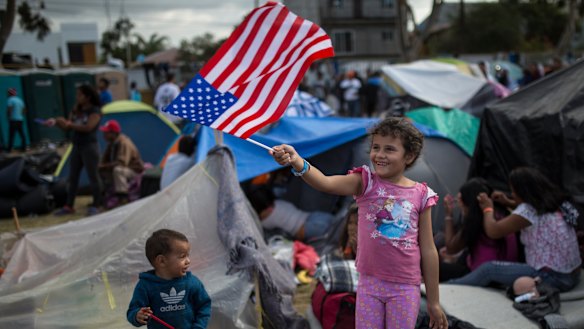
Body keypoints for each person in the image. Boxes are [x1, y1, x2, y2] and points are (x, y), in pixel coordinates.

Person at [270, 117, 448, 329]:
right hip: (368, 283)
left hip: (405, 287)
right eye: (376, 147)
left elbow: (428, 249)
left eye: (390, 149)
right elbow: (325, 183)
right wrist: (297, 161)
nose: (380, 155)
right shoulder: (365, 182)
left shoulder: (421, 194)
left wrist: (434, 302)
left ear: (408, 156)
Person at [449, 167, 581, 292]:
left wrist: (487, 208)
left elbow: (493, 231)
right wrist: (508, 201)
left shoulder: (528, 211)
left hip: (553, 277)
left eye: (513, 192)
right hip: (573, 274)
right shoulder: (557, 203)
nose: (512, 194)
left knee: (488, 270)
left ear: (523, 192)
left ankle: (448, 288)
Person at [127, 229, 211, 329]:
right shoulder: (145, 286)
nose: (188, 261)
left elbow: (204, 306)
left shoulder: (192, 283)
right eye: (182, 256)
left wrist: (199, 326)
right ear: (162, 261)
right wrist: (137, 315)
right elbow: (133, 311)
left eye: (188, 255)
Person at [439, 178, 518, 282]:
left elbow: (451, 248)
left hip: (482, 275)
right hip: (506, 272)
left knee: (430, 266)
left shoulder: (476, 221)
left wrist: (449, 215)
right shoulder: (502, 214)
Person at [53, 84, 103, 216]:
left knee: (93, 176)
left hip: (89, 147)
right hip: (76, 146)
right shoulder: (76, 109)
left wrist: (70, 124)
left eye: (80, 95)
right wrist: (58, 122)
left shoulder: (95, 111)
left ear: (88, 97)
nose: (77, 97)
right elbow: (67, 127)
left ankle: (96, 205)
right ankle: (69, 206)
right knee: (73, 177)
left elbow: (88, 127)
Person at [246, 185, 344, 243]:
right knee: (340, 230)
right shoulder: (279, 203)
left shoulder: (266, 220)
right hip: (315, 216)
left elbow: (298, 235)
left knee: (335, 238)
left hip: (308, 227)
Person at [99, 119, 144, 207]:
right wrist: (101, 166)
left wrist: (104, 165)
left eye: (106, 132)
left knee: (118, 170)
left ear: (113, 133)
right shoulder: (112, 143)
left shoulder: (123, 142)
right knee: (102, 171)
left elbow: (121, 163)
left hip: (134, 170)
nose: (104, 135)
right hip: (125, 169)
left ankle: (122, 196)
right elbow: (104, 160)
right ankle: (105, 194)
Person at [5, 88, 27, 152]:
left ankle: (9, 149)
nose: (7, 94)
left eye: (8, 93)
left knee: (11, 135)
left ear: (10, 93)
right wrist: (20, 115)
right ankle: (24, 148)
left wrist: (8, 117)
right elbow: (24, 110)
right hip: (20, 120)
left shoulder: (10, 100)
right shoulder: (19, 100)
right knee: (22, 134)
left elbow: (9, 109)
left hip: (13, 120)